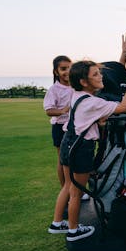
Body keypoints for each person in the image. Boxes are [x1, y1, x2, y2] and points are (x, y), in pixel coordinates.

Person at [48, 60, 126, 241]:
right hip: (81, 149)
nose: (101, 76)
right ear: (83, 81)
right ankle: (73, 230)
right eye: (96, 74)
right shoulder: (94, 102)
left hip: (68, 142)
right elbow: (123, 107)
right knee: (76, 192)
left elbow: (85, 118)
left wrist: (98, 120)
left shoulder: (77, 95)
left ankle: (57, 223)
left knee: (67, 186)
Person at [43, 56, 90, 201]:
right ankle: (67, 190)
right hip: (59, 127)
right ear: (56, 72)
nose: (67, 71)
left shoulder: (75, 85)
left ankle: (77, 190)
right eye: (63, 69)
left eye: (69, 68)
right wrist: (64, 110)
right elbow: (49, 110)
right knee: (63, 161)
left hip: (74, 127)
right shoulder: (54, 89)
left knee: (76, 160)